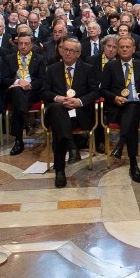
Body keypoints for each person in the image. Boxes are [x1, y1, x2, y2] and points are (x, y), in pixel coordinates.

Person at [41, 37, 99, 188]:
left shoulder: (87, 68)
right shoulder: (52, 69)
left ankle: (60, 169)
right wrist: (58, 98)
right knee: (56, 109)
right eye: (64, 49)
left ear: (78, 54)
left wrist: (79, 101)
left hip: (79, 113)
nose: (67, 53)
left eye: (71, 51)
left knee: (60, 128)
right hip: (58, 111)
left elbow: (94, 92)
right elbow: (45, 92)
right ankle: (71, 149)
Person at [100, 37, 140, 183]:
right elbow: (103, 90)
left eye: (127, 47)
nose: (124, 49)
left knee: (133, 107)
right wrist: (115, 97)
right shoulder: (110, 66)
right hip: (118, 108)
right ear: (117, 49)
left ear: (133, 49)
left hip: (139, 105)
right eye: (121, 47)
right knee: (131, 115)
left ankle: (121, 143)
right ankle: (133, 165)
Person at [1, 32, 47, 156]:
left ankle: (19, 140)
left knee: (18, 102)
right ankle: (26, 122)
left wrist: (29, 85)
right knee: (17, 91)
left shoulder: (39, 58)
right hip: (14, 90)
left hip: (32, 91)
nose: (23, 46)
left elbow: (42, 79)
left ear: (31, 45)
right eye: (20, 43)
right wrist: (18, 81)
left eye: (26, 44)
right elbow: (4, 79)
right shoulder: (9, 58)